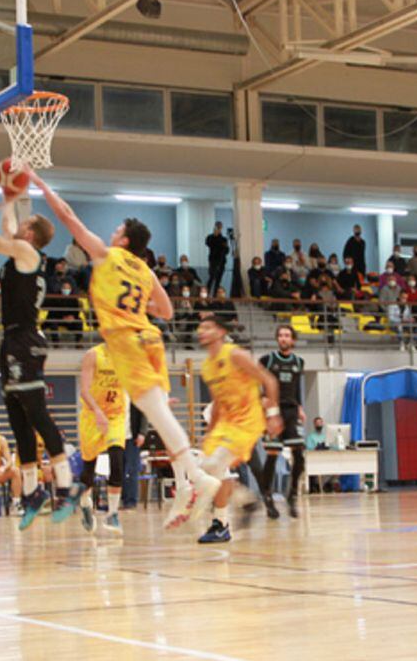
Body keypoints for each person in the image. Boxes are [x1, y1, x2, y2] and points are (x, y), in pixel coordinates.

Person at [36, 170, 221, 530]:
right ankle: (187, 483)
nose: (111, 233)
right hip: (150, 338)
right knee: (160, 417)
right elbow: (167, 311)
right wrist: (138, 309)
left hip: (128, 343)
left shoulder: (106, 255)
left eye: (116, 230)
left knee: (160, 416)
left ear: (123, 241)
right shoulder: (146, 269)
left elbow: (68, 218)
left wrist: (41, 186)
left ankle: (197, 479)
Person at [0, 194, 78, 531]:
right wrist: (8, 199)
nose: (17, 225)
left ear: (31, 234)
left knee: (37, 414)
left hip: (25, 341)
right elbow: (8, 228)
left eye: (23, 223)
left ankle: (65, 488)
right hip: (11, 340)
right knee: (19, 421)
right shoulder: (24, 252)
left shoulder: (26, 252)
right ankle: (34, 493)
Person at [196, 315, 282, 544]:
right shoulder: (207, 366)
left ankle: (224, 519)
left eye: (207, 327)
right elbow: (217, 402)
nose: (201, 331)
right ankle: (240, 506)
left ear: (221, 332)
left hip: (247, 421)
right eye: (200, 327)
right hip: (225, 422)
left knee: (216, 465)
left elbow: (269, 380)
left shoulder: (235, 355)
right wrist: (209, 432)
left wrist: (273, 414)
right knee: (205, 467)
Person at [71, 344, 130, 534]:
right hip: (92, 415)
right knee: (89, 470)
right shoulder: (93, 355)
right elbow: (84, 391)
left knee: (117, 459)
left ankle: (113, 514)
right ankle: (86, 503)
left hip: (115, 415)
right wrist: (97, 411)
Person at [253, 325, 307, 519]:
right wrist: (261, 400)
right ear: (277, 339)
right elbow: (254, 382)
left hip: (291, 411)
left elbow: (297, 387)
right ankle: (267, 497)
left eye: (287, 335)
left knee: (299, 455)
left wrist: (300, 407)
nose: (283, 338)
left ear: (293, 340)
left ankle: (292, 495)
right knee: (273, 454)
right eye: (281, 335)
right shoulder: (267, 360)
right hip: (273, 411)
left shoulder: (299, 362)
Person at [205, 221, 229, 295]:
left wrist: (220, 239)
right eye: (217, 226)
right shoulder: (210, 237)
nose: (218, 228)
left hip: (221, 261)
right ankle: (207, 293)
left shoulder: (224, 239)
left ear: (221, 228)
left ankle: (215, 295)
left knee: (218, 280)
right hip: (213, 261)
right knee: (211, 278)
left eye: (219, 227)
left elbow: (226, 251)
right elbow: (208, 243)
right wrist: (215, 235)